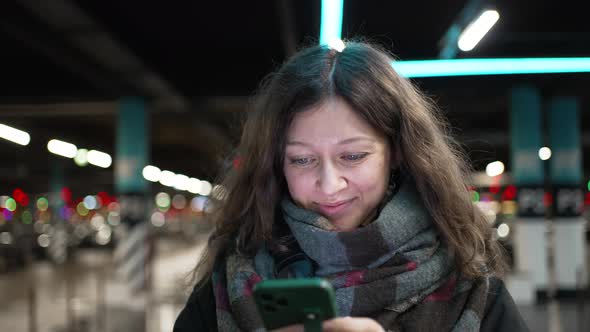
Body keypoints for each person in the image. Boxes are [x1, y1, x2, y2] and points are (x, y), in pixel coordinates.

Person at [174, 40, 529, 331]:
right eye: (301, 160)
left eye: (354, 156)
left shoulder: (474, 295)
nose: (329, 186)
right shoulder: (224, 287)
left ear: (397, 153)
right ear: (276, 164)